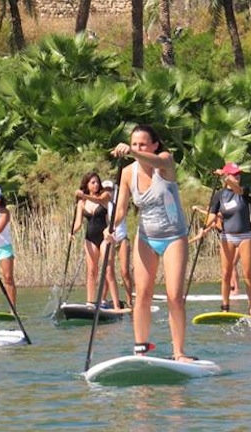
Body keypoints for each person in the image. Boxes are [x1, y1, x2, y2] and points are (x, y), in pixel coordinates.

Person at [111, 124, 192, 362]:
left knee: (174, 296)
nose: (137, 148)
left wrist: (132, 153)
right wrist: (111, 227)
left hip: (174, 237)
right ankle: (141, 347)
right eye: (134, 144)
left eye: (142, 144)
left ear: (154, 145)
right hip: (146, 237)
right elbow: (122, 209)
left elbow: (159, 162)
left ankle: (178, 353)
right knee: (142, 295)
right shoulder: (128, 173)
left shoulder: (165, 161)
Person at [203, 162, 251, 317]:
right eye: (234, 174)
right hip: (227, 237)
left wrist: (226, 177)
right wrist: (203, 227)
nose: (238, 177)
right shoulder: (219, 195)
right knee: (226, 273)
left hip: (244, 236)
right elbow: (212, 216)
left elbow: (237, 189)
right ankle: (225, 306)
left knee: (248, 273)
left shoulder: (244, 191)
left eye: (238, 174)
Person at [72, 172, 121, 309]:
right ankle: (90, 303)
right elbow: (78, 223)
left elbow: (99, 201)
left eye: (97, 182)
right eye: (92, 182)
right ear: (87, 184)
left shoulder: (105, 196)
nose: (96, 185)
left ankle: (117, 305)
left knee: (108, 271)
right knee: (91, 271)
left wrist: (83, 195)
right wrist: (72, 232)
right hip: (90, 238)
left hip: (105, 237)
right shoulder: (81, 203)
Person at [103, 179, 133, 307]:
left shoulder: (120, 202)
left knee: (124, 271)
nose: (108, 192)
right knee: (107, 271)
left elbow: (121, 212)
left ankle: (130, 301)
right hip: (109, 239)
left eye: (110, 189)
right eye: (106, 190)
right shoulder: (104, 204)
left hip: (121, 238)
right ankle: (102, 300)